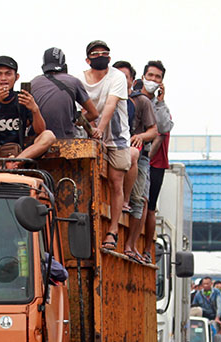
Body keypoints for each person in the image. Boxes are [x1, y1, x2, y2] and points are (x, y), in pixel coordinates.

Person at [78, 40, 131, 252]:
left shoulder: (117, 77)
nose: (100, 56)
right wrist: (91, 129)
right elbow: (79, 107)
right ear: (87, 59)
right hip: (89, 134)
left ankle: (113, 230)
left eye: (104, 53)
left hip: (115, 136)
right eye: (96, 53)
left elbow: (110, 104)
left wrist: (100, 128)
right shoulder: (79, 79)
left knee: (115, 182)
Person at [113, 61, 158, 263]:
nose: (122, 80)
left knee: (139, 200)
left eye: (126, 77)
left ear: (132, 81)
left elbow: (154, 131)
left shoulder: (141, 102)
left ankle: (130, 244)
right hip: (114, 149)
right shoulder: (109, 99)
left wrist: (141, 136)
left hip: (137, 155)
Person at [30, 47, 98, 139]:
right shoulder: (73, 81)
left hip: (38, 138)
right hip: (67, 137)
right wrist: (74, 122)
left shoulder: (33, 82)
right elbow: (94, 114)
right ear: (64, 65)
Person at [143, 60, 173, 264]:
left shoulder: (161, 106)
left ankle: (147, 249)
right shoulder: (135, 99)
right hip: (139, 159)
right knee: (140, 204)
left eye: (158, 77)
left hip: (156, 164)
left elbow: (164, 128)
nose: (153, 80)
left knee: (150, 207)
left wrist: (161, 101)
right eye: (150, 75)